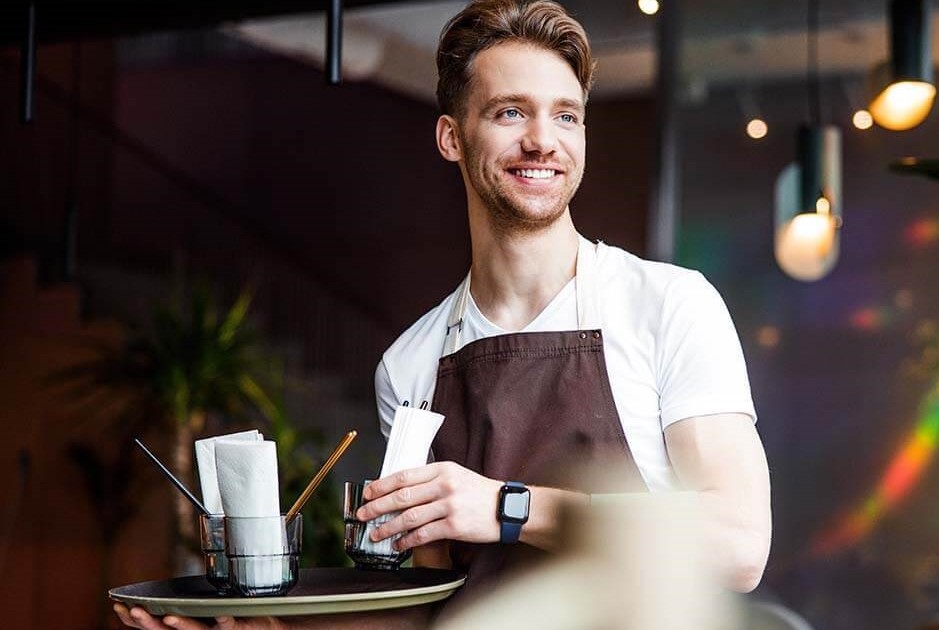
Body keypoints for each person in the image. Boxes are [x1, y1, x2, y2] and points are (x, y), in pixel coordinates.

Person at [115, 1, 770, 628]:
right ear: (451, 137)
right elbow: (429, 603)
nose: (543, 140)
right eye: (511, 112)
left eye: (566, 116)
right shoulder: (410, 365)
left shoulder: (668, 305)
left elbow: (740, 544)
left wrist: (508, 508)